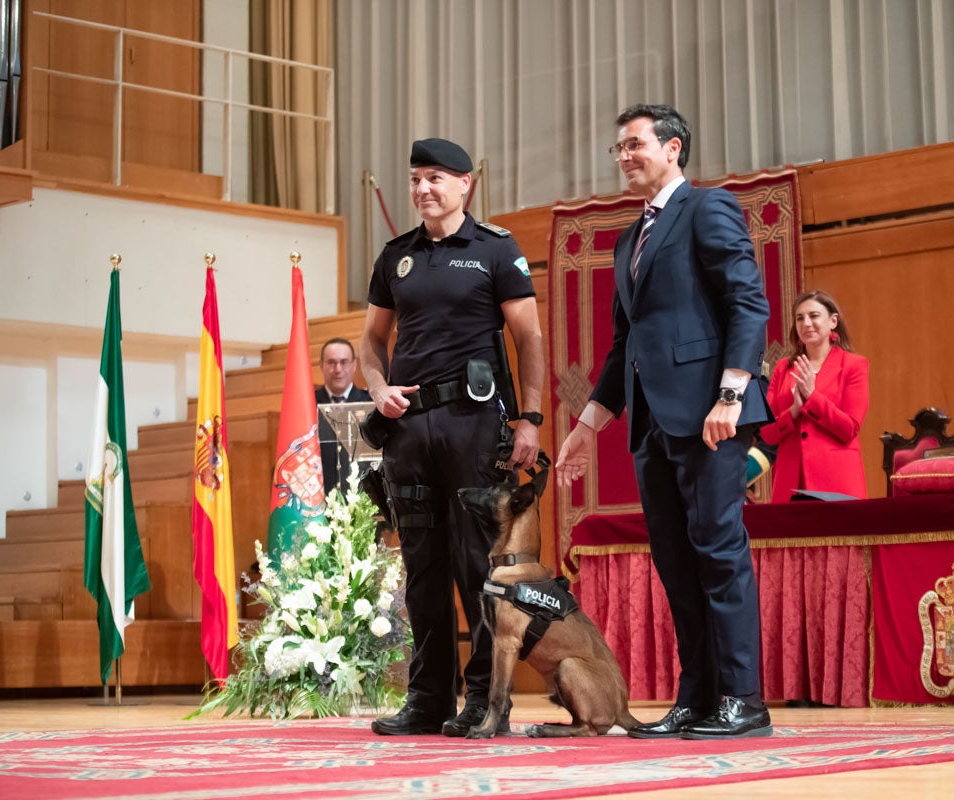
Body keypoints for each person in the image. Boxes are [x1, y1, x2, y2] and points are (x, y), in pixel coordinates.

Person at [555, 104, 773, 739]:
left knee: (718, 552)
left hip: (712, 417)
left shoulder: (708, 209)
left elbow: (747, 302)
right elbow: (624, 345)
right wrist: (586, 426)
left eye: (635, 144)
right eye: (618, 147)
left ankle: (743, 700)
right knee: (676, 562)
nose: (624, 156)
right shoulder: (629, 239)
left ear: (673, 149)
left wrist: (731, 395)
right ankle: (698, 698)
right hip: (651, 425)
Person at [360, 137, 545, 738]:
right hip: (409, 431)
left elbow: (530, 339)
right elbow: (370, 341)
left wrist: (531, 419)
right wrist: (376, 387)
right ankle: (427, 697)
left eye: (436, 177)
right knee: (422, 569)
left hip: (474, 426)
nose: (423, 189)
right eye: (416, 178)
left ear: (466, 184)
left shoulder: (496, 248)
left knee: (477, 568)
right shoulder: (395, 256)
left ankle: (485, 701)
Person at [759, 289, 869, 501]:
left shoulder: (854, 365)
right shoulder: (783, 368)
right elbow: (767, 433)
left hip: (836, 482)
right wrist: (793, 412)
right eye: (800, 318)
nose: (806, 323)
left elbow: (849, 428)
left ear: (833, 321)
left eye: (814, 316)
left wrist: (812, 398)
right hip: (789, 482)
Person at [315, 337, 371, 496]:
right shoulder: (308, 405)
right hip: (320, 497)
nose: (338, 369)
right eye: (331, 362)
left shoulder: (370, 403)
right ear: (321, 366)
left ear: (354, 365)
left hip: (361, 498)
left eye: (344, 362)